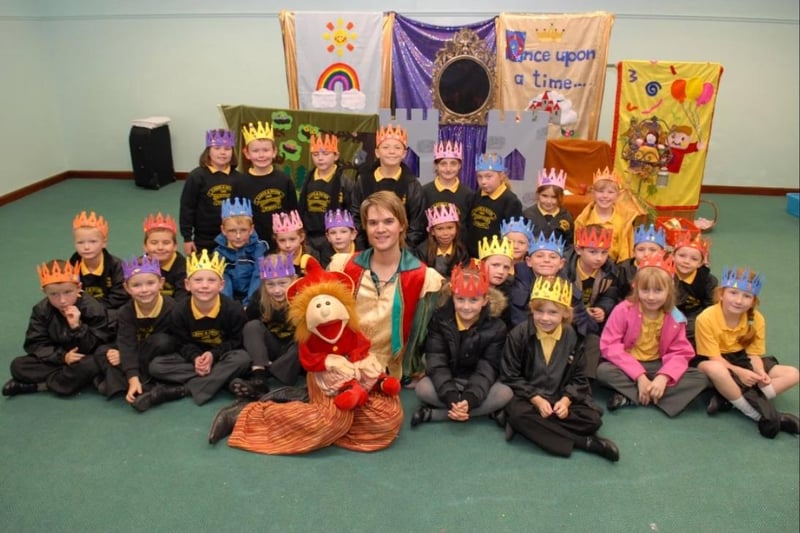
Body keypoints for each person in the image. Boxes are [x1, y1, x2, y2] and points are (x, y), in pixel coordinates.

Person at [500, 276, 619, 462]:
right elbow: (510, 375)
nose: (545, 318)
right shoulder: (519, 334)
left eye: (553, 312)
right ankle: (584, 443)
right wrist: (536, 400)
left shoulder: (572, 336)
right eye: (539, 311)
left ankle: (532, 428)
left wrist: (566, 401)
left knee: (592, 419)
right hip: (528, 398)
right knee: (518, 414)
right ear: (532, 309)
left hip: (558, 396)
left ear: (565, 313)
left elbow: (579, 377)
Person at [328, 190, 443, 381]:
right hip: (344, 368)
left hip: (392, 376)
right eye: (373, 223)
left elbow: (430, 336)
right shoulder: (342, 267)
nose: (380, 229)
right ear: (365, 227)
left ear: (402, 225)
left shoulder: (425, 279)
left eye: (388, 221)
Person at [597, 253, 709, 417]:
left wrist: (664, 377)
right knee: (603, 371)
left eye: (658, 291)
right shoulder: (623, 309)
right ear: (636, 288)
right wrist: (639, 376)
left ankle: (631, 396)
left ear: (669, 290)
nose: (650, 297)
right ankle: (653, 395)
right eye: (645, 290)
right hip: (628, 362)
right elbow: (610, 345)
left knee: (700, 378)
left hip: (658, 364)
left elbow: (681, 352)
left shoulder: (675, 316)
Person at [137, 250, 250, 411]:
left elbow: (236, 341)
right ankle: (221, 380)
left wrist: (213, 355)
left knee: (242, 359)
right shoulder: (179, 310)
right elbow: (181, 342)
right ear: (187, 285)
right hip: (192, 360)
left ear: (221, 285)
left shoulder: (233, 310)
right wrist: (195, 357)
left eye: (211, 280)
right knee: (157, 366)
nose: (204, 285)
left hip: (221, 356)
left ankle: (182, 390)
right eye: (198, 280)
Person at [693, 267, 800, 438]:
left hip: (742, 359)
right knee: (717, 370)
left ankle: (729, 399)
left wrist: (759, 372)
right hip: (714, 361)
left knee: (793, 374)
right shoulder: (706, 318)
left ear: (753, 301)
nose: (739, 300)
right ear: (721, 294)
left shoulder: (756, 318)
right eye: (733, 293)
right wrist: (740, 373)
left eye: (746, 296)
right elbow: (714, 357)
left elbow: (753, 354)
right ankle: (758, 415)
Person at [410, 260, 512, 427]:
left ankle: (437, 414)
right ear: (453, 297)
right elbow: (436, 361)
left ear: (485, 300)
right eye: (460, 299)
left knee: (505, 393)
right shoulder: (440, 319)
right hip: (450, 378)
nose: (466, 307)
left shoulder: (497, 327)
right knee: (423, 389)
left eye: (474, 300)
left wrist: (470, 399)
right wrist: (451, 396)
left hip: (480, 383)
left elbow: (488, 367)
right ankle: (484, 411)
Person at [3, 260, 110, 397]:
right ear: (44, 292)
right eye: (54, 294)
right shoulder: (41, 310)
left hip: (84, 356)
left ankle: (41, 385)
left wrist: (77, 327)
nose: (62, 300)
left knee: (92, 364)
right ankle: (67, 379)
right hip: (58, 358)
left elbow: (99, 344)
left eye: (68, 292)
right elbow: (35, 343)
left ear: (79, 288)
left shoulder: (93, 309)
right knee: (18, 365)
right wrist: (63, 357)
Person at [95, 256, 177, 404]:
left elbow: (175, 342)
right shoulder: (125, 312)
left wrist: (126, 357)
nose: (144, 290)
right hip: (135, 350)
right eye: (137, 285)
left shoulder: (172, 308)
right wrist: (133, 377)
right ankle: (140, 385)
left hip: (158, 354)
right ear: (127, 288)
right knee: (103, 352)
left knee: (162, 342)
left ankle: (122, 383)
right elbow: (126, 342)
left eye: (150, 283)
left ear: (161, 284)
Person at [228, 252, 301, 400]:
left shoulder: (304, 296)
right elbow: (247, 327)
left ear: (293, 280)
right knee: (252, 326)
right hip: (271, 348)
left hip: (293, 352)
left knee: (305, 339)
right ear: (264, 284)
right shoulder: (259, 298)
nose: (276, 290)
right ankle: (259, 375)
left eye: (282, 283)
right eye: (270, 284)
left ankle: (271, 376)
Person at [350, 124, 426, 250]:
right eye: (386, 147)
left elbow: (416, 226)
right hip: (367, 249)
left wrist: (400, 251)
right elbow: (356, 217)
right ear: (377, 152)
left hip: (401, 251)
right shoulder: (363, 182)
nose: (392, 152)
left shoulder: (412, 185)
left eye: (397, 148)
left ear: (404, 153)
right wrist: (365, 249)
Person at [563, 225, 621, 378]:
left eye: (604, 252)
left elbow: (610, 295)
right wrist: (581, 311)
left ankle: (586, 378)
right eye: (592, 252)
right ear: (578, 249)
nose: (599, 258)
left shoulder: (610, 272)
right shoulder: (564, 270)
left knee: (595, 340)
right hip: (569, 319)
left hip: (594, 323)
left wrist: (603, 309)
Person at [232, 121, 298, 249]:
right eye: (255, 151)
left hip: (283, 242)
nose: (261, 155)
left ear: (274, 152)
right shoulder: (240, 183)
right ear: (247, 153)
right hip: (253, 242)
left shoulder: (284, 179)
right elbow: (236, 217)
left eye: (266, 150)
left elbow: (293, 211)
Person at [179, 128, 240, 255]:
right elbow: (187, 208)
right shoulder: (196, 176)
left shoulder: (238, 178)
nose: (222, 152)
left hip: (231, 237)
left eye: (227, 149)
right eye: (217, 148)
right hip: (203, 238)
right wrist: (187, 238)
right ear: (208, 151)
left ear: (232, 152)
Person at [69, 210, 129, 324]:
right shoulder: (71, 266)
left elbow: (119, 297)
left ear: (104, 242)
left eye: (93, 242)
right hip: (81, 310)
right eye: (80, 243)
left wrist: (93, 310)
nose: (86, 247)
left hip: (109, 310)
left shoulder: (117, 266)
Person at [297, 133, 354, 253]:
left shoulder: (344, 182)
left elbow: (351, 210)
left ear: (336, 156)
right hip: (310, 238)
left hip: (334, 238)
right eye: (315, 154)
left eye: (326, 154)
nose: (320, 158)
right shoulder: (308, 181)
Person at [465, 153, 523, 259]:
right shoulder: (475, 196)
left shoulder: (510, 201)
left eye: (488, 176)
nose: (483, 181)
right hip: (472, 256)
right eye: (480, 177)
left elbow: (512, 235)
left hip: (495, 257)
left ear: (501, 176)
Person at [574, 167, 638, 263]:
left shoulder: (623, 222)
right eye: (600, 191)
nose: (605, 196)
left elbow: (625, 252)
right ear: (593, 193)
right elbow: (577, 247)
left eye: (610, 192)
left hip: (613, 268)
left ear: (617, 195)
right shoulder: (583, 220)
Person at [214, 197, 268, 307]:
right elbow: (224, 280)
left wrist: (249, 303)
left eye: (243, 230)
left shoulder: (259, 248)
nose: (238, 236)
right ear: (223, 230)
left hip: (254, 298)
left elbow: (258, 276)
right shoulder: (219, 253)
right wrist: (229, 305)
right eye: (232, 231)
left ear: (251, 229)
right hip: (230, 299)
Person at [509, 231, 567, 328]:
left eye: (552, 257)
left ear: (561, 264)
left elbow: (578, 316)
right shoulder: (518, 282)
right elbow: (518, 317)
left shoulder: (566, 283)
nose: (546, 260)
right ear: (529, 261)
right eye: (540, 256)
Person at [672, 232, 717, 346]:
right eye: (682, 256)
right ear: (673, 256)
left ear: (701, 263)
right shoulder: (664, 274)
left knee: (694, 331)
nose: (686, 261)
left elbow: (710, 306)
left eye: (694, 259)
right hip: (667, 311)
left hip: (694, 314)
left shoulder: (708, 280)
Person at [421, 140, 473, 227]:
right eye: (443, 164)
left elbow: (469, 226)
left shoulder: (468, 194)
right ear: (436, 166)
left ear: (460, 165)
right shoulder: (423, 192)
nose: (448, 169)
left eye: (453, 164)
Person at [522, 168, 575, 253]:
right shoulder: (527, 215)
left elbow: (569, 244)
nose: (549, 201)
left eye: (554, 197)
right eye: (544, 196)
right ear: (537, 194)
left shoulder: (566, 217)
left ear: (560, 197)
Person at [142, 212, 187, 302]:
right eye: (154, 243)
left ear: (175, 246)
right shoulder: (139, 266)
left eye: (166, 243)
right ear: (145, 247)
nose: (160, 248)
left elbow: (182, 300)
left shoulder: (185, 269)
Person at [417, 203, 469, 278]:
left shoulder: (461, 251)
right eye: (440, 229)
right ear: (432, 231)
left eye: (450, 227)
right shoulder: (422, 251)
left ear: (457, 229)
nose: (445, 233)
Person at [616, 223, 667, 299]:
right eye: (641, 249)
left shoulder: (667, 271)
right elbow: (617, 295)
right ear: (633, 251)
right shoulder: (622, 269)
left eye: (652, 250)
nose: (646, 254)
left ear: (662, 252)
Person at [477, 235, 514, 328]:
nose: (501, 271)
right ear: (481, 264)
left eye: (506, 267)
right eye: (495, 265)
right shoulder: (468, 286)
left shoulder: (509, 294)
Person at [272, 209, 319, 276]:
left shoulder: (313, 256)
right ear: (275, 239)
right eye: (282, 240)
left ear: (302, 237)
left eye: (292, 239)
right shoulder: (272, 259)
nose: (287, 245)